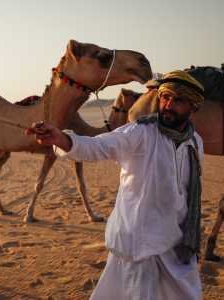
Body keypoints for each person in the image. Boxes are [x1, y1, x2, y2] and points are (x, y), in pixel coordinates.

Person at [26, 70, 204, 300]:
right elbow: (99, 146)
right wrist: (62, 139)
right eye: (164, 97)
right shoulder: (140, 132)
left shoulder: (194, 142)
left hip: (175, 243)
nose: (168, 104)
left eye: (177, 100)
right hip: (139, 243)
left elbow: (187, 192)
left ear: (193, 107)